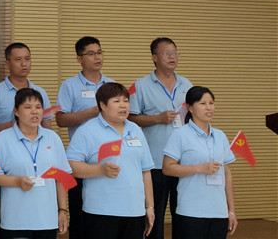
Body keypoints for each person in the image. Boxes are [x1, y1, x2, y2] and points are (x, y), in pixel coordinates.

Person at [66, 82, 155, 239]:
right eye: (116, 101)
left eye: (126, 101)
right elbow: (71, 166)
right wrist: (100, 170)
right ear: (102, 105)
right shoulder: (87, 131)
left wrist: (149, 207)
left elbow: (145, 171)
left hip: (134, 211)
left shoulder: (135, 129)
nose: (123, 105)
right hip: (101, 211)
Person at [0, 42, 54, 239]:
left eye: (27, 59)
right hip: (9, 161)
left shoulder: (39, 91)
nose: (24, 64)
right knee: (4, 216)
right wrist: (17, 125)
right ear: (7, 63)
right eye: (18, 60)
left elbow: (47, 126)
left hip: (37, 160)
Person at [129, 37, 192, 239]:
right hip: (155, 160)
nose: (172, 57)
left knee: (183, 213)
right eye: (167, 53)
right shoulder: (140, 85)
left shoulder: (186, 84)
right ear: (154, 57)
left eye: (175, 53)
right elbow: (130, 118)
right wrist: (157, 118)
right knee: (154, 216)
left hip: (183, 161)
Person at [0, 88, 70, 239]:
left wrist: (62, 211)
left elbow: (61, 177)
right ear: (16, 111)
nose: (34, 112)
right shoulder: (2, 139)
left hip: (47, 220)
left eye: (38, 107)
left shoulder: (53, 138)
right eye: (28, 107)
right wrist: (16, 181)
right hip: (15, 221)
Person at [55, 36, 115, 239]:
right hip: (82, 160)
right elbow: (61, 120)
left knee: (107, 216)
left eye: (99, 52)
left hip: (110, 158)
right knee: (81, 216)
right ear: (79, 59)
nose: (97, 57)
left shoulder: (111, 85)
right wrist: (91, 112)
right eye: (91, 54)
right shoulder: (69, 85)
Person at [162, 86, 237, 239]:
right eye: (203, 103)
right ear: (190, 108)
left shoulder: (220, 135)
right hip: (191, 212)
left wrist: (231, 211)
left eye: (211, 103)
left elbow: (227, 173)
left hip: (219, 212)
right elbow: (167, 168)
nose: (209, 108)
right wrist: (199, 168)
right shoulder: (180, 135)